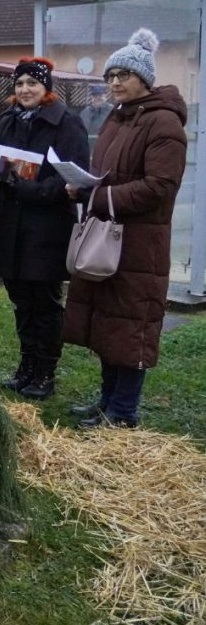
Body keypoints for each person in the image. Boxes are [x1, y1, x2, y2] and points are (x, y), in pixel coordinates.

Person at [64, 29, 188, 428]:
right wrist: (82, 186)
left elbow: (161, 186)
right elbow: (107, 176)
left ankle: (123, 412)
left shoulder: (164, 123)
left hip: (139, 244)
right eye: (110, 76)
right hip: (108, 237)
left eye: (123, 75)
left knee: (131, 326)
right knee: (108, 324)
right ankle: (107, 402)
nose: (115, 82)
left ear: (144, 79)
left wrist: (96, 198)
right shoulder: (119, 119)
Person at [0, 58, 90, 400]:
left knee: (44, 302)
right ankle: (26, 365)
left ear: (47, 88)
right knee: (21, 301)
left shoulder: (66, 124)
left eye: (32, 83)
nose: (25, 89)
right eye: (19, 84)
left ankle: (45, 370)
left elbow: (73, 178)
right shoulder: (7, 121)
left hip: (46, 230)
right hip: (11, 228)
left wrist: (31, 189)